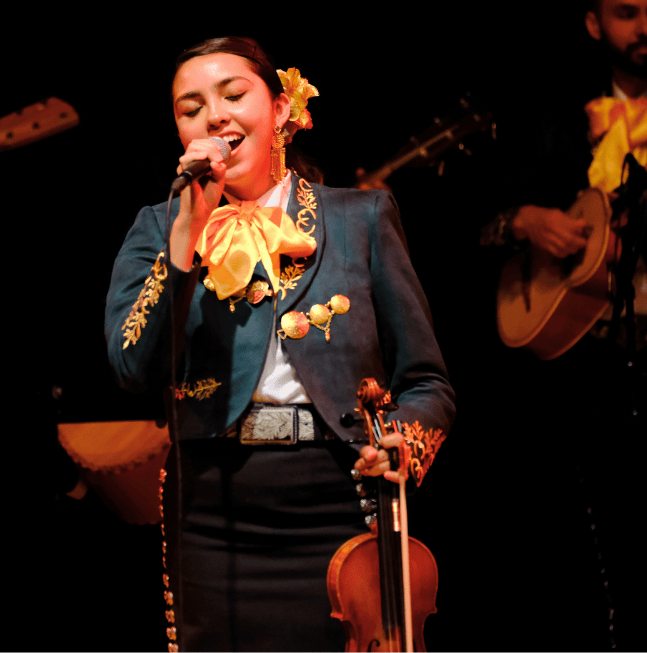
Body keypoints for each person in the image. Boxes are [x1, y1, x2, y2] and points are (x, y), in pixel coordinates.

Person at [104, 36, 456, 652]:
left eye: (233, 95)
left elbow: (428, 381)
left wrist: (406, 443)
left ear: (282, 111)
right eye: (191, 108)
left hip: (338, 495)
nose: (213, 115)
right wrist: (185, 236)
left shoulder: (361, 217)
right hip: (214, 509)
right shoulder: (159, 227)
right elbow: (132, 364)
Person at [478, 0, 647, 650]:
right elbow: (478, 221)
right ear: (593, 24)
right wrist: (524, 219)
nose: (646, 29)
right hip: (591, 372)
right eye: (627, 13)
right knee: (608, 564)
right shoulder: (556, 124)